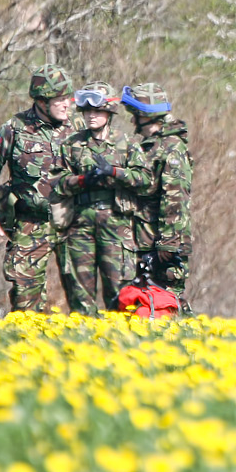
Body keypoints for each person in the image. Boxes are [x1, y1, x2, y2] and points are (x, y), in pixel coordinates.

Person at [0, 64, 80, 312]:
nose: (67, 104)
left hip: (74, 224)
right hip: (31, 224)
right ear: (42, 101)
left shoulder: (79, 128)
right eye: (59, 99)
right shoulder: (15, 128)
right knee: (25, 301)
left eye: (68, 98)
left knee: (82, 296)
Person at [53, 81, 151, 314]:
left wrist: (115, 173)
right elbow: (57, 183)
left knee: (120, 295)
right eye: (87, 111)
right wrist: (82, 181)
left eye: (96, 111)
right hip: (80, 225)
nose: (91, 116)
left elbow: (146, 180)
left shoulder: (126, 144)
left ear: (109, 112)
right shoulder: (72, 145)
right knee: (79, 296)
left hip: (117, 225)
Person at [121, 83, 194, 315]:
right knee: (143, 304)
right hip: (144, 239)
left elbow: (175, 198)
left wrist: (168, 242)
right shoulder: (148, 146)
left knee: (166, 303)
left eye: (136, 115)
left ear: (146, 115)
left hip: (162, 243)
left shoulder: (171, 148)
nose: (133, 122)